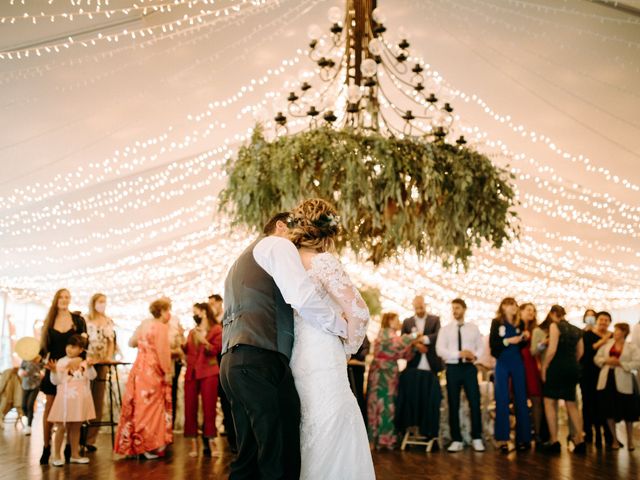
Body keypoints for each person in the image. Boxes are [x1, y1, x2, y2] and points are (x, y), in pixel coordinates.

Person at [220, 210, 351, 480]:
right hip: (260, 360)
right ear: (281, 226)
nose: (298, 243)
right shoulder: (277, 244)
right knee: (280, 456)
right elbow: (300, 295)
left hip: (234, 362)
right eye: (295, 233)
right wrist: (340, 325)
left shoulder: (240, 262)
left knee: (250, 457)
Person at [287, 199, 374, 479]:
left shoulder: (285, 262)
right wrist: (348, 348)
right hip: (323, 352)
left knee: (308, 425)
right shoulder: (323, 261)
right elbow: (359, 311)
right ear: (329, 230)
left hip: (295, 354)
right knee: (333, 422)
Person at [115, 298, 173, 459]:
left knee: (139, 406)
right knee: (151, 409)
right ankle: (147, 445)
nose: (169, 314)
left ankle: (136, 445)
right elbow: (162, 352)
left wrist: (143, 344)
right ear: (161, 311)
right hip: (153, 371)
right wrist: (167, 372)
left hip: (139, 369)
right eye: (168, 310)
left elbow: (131, 342)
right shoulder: (161, 327)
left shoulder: (144, 324)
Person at [39, 289, 87, 465]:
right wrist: (39, 358)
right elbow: (43, 348)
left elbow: (84, 345)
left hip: (71, 369)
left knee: (73, 408)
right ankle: (46, 447)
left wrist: (79, 360)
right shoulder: (49, 320)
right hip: (54, 367)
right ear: (56, 299)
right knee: (51, 409)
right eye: (61, 296)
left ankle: (70, 449)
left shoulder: (78, 320)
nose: (64, 299)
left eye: (67, 297)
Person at [436, 298, 485, 452]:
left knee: (475, 402)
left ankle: (477, 437)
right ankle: (456, 439)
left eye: (457, 308)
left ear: (464, 309)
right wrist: (459, 354)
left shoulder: (473, 328)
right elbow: (440, 350)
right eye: (453, 308)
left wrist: (474, 356)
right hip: (453, 368)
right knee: (453, 403)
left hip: (470, 369)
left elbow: (481, 347)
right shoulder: (445, 329)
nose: (455, 311)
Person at [366, 312, 418, 450]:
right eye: (396, 320)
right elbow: (397, 344)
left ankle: (386, 438)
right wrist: (414, 336)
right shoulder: (385, 334)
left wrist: (412, 346)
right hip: (380, 373)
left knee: (388, 404)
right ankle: (375, 438)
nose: (399, 322)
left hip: (389, 373)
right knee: (377, 404)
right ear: (389, 321)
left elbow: (405, 354)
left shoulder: (393, 335)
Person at [395, 295, 442, 447]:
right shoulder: (407, 322)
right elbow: (403, 339)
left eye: (421, 307)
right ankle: (411, 430)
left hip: (430, 366)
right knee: (414, 400)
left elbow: (438, 336)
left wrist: (424, 340)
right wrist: (415, 344)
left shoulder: (435, 320)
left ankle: (429, 433)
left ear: (425, 305)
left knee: (429, 400)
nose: (420, 310)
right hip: (413, 367)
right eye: (417, 308)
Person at [540, 305, 585, 454]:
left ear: (553, 314)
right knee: (571, 404)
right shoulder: (577, 330)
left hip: (556, 367)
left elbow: (552, 349)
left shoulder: (554, 326)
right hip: (572, 367)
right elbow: (581, 352)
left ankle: (554, 441)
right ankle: (580, 440)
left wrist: (545, 366)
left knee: (549, 402)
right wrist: (572, 363)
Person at [489, 297, 531, 452]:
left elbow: (521, 345)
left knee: (521, 398)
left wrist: (524, 339)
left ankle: (524, 438)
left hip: (517, 362)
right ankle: (502, 439)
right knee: (502, 399)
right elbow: (493, 346)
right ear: (503, 307)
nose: (514, 307)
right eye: (510, 304)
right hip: (502, 362)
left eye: (515, 305)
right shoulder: (496, 323)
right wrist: (507, 341)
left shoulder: (519, 322)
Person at [47, 334, 96, 466]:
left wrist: (90, 367)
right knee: (61, 427)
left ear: (81, 349)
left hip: (79, 400)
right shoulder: (61, 362)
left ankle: (75, 454)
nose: (69, 349)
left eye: (74, 347)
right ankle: (56, 455)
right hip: (65, 400)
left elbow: (92, 377)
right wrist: (53, 371)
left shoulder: (85, 362)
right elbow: (55, 381)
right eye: (68, 345)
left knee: (76, 428)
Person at [182, 302, 223, 457]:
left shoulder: (217, 329)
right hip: (192, 372)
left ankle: (211, 441)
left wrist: (204, 340)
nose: (194, 315)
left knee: (209, 408)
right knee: (190, 408)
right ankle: (193, 442)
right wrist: (182, 342)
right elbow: (188, 350)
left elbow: (214, 350)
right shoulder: (192, 331)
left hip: (209, 372)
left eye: (196, 312)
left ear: (204, 313)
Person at [595, 322, 640, 451]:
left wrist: (622, 364)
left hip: (624, 379)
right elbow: (597, 358)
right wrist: (606, 361)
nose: (615, 332)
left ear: (624, 332)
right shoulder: (607, 345)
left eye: (617, 330)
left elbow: (637, 362)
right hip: (608, 380)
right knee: (609, 410)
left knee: (628, 411)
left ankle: (630, 440)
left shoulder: (631, 347)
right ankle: (614, 439)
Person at [85, 293, 117, 451]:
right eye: (100, 301)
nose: (103, 304)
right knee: (85, 398)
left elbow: (111, 342)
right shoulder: (86, 319)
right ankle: (79, 436)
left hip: (102, 362)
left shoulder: (108, 321)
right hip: (88, 362)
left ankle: (91, 438)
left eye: (105, 301)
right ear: (93, 303)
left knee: (98, 398)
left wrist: (108, 357)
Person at [580, 311, 613, 448]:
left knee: (605, 405)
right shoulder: (587, 334)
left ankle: (608, 435)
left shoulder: (612, 336)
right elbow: (585, 352)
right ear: (596, 320)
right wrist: (602, 341)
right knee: (588, 404)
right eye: (601, 319)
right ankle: (589, 433)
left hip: (606, 375)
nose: (603, 322)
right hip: (588, 374)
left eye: (606, 320)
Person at [209, 293, 237, 453]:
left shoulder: (228, 315)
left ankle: (236, 439)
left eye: (213, 303)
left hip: (228, 361)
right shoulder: (211, 323)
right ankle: (231, 439)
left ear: (219, 303)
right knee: (225, 403)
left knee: (232, 402)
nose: (211, 306)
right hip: (218, 367)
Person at [519, 302, 544, 444]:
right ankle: (523, 431)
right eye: (528, 310)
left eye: (533, 311)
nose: (531, 313)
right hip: (518, 364)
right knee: (519, 399)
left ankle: (538, 432)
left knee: (536, 399)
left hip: (532, 364)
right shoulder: (516, 328)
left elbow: (538, 349)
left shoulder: (537, 330)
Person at [18, 353, 44, 435]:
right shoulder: (25, 360)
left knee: (30, 404)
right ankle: (29, 416)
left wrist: (41, 374)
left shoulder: (39, 360)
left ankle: (29, 425)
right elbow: (20, 370)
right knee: (23, 405)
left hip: (35, 385)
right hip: (25, 385)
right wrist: (22, 373)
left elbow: (43, 370)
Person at [348, 336, 371, 423]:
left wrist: (353, 360)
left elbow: (364, 353)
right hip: (345, 369)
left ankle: (360, 421)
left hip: (356, 370)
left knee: (357, 396)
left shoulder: (363, 336)